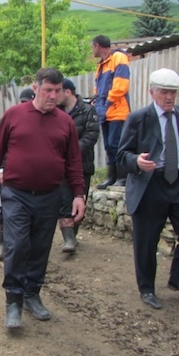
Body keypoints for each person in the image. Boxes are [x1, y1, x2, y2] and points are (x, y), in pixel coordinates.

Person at [0, 68, 85, 329]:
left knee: (40, 247)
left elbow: (74, 163)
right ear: (36, 88)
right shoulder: (14, 115)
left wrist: (78, 194)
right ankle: (13, 301)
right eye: (48, 90)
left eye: (57, 91)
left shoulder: (65, 122)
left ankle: (32, 293)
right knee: (17, 243)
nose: (53, 96)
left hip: (50, 196)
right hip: (16, 194)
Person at [117, 68, 179, 310]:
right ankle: (148, 289)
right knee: (147, 241)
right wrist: (137, 162)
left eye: (173, 92)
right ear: (152, 92)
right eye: (164, 92)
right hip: (150, 184)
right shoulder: (138, 118)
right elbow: (121, 156)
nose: (169, 97)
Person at [56, 79, 100, 253]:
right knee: (64, 201)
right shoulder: (55, 113)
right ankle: (69, 239)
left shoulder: (88, 111)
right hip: (60, 167)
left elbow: (91, 136)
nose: (54, 95)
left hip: (83, 165)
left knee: (79, 200)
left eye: (58, 91)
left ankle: (73, 234)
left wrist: (72, 152)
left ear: (68, 92)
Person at [0, 87, 35, 262]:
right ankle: (1, 244)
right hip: (9, 173)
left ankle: (27, 245)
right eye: (23, 102)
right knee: (3, 208)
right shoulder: (11, 118)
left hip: (33, 175)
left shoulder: (43, 121)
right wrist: (2, 170)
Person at [92, 35, 131, 189]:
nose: (92, 50)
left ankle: (122, 177)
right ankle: (111, 177)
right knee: (109, 145)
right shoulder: (101, 64)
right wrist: (96, 101)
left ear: (97, 45)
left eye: (92, 47)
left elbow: (121, 85)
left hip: (117, 110)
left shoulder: (119, 58)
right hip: (105, 111)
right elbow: (98, 87)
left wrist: (108, 101)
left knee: (118, 145)